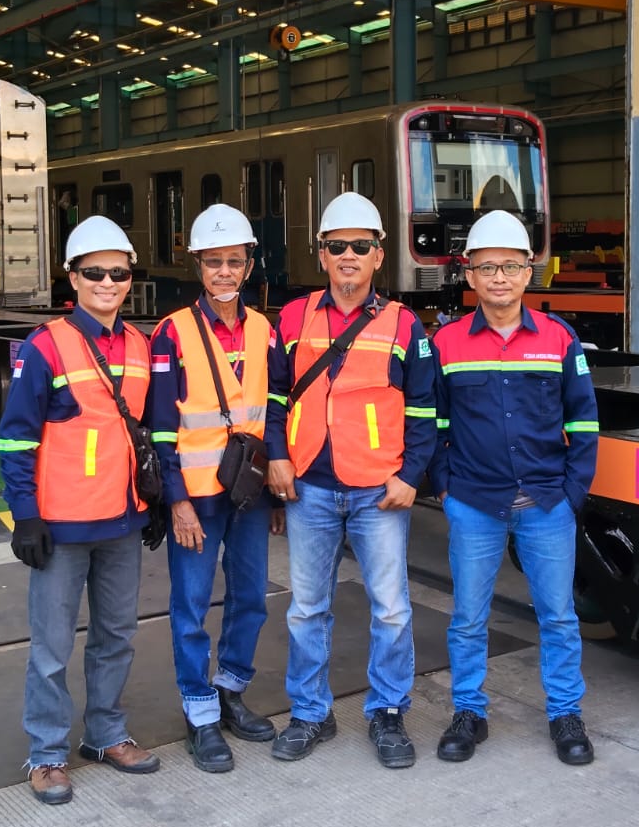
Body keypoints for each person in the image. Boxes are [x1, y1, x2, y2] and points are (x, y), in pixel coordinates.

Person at [265, 193, 437, 769]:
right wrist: (276, 456)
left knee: (390, 609)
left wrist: (411, 476)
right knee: (306, 608)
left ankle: (387, 711)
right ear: (321, 254)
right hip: (309, 487)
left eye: (360, 246)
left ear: (378, 256)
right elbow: (273, 397)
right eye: (337, 245)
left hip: (378, 489)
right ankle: (310, 712)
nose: (348, 255)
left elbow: (424, 408)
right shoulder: (293, 317)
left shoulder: (404, 324)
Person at [0, 216, 160, 806]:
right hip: (61, 527)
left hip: (121, 522)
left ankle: (106, 734)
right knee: (51, 648)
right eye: (95, 273)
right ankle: (46, 754)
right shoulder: (46, 346)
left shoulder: (140, 345)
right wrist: (25, 514)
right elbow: (17, 437)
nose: (108, 283)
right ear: (72, 277)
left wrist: (154, 501)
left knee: (116, 636)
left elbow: (143, 431)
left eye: (118, 272)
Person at [430, 210, 599, 766]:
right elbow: (434, 423)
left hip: (547, 502)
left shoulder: (559, 338)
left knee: (558, 617)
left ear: (529, 272)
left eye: (509, 266)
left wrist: (573, 492)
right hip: (475, 502)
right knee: (468, 619)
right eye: (487, 267)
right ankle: (468, 711)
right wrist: (446, 488)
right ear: (469, 275)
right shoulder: (447, 343)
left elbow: (583, 420)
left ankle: (565, 714)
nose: (498, 277)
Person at [147, 204, 281, 773]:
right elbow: (159, 425)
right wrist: (176, 500)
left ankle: (230, 690)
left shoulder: (264, 330)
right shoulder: (172, 332)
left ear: (248, 265)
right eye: (213, 261)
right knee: (192, 606)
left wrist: (275, 486)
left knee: (250, 598)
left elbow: (275, 409)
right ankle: (199, 712)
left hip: (249, 493)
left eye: (234, 261)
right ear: (197, 266)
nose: (224, 271)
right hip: (196, 499)